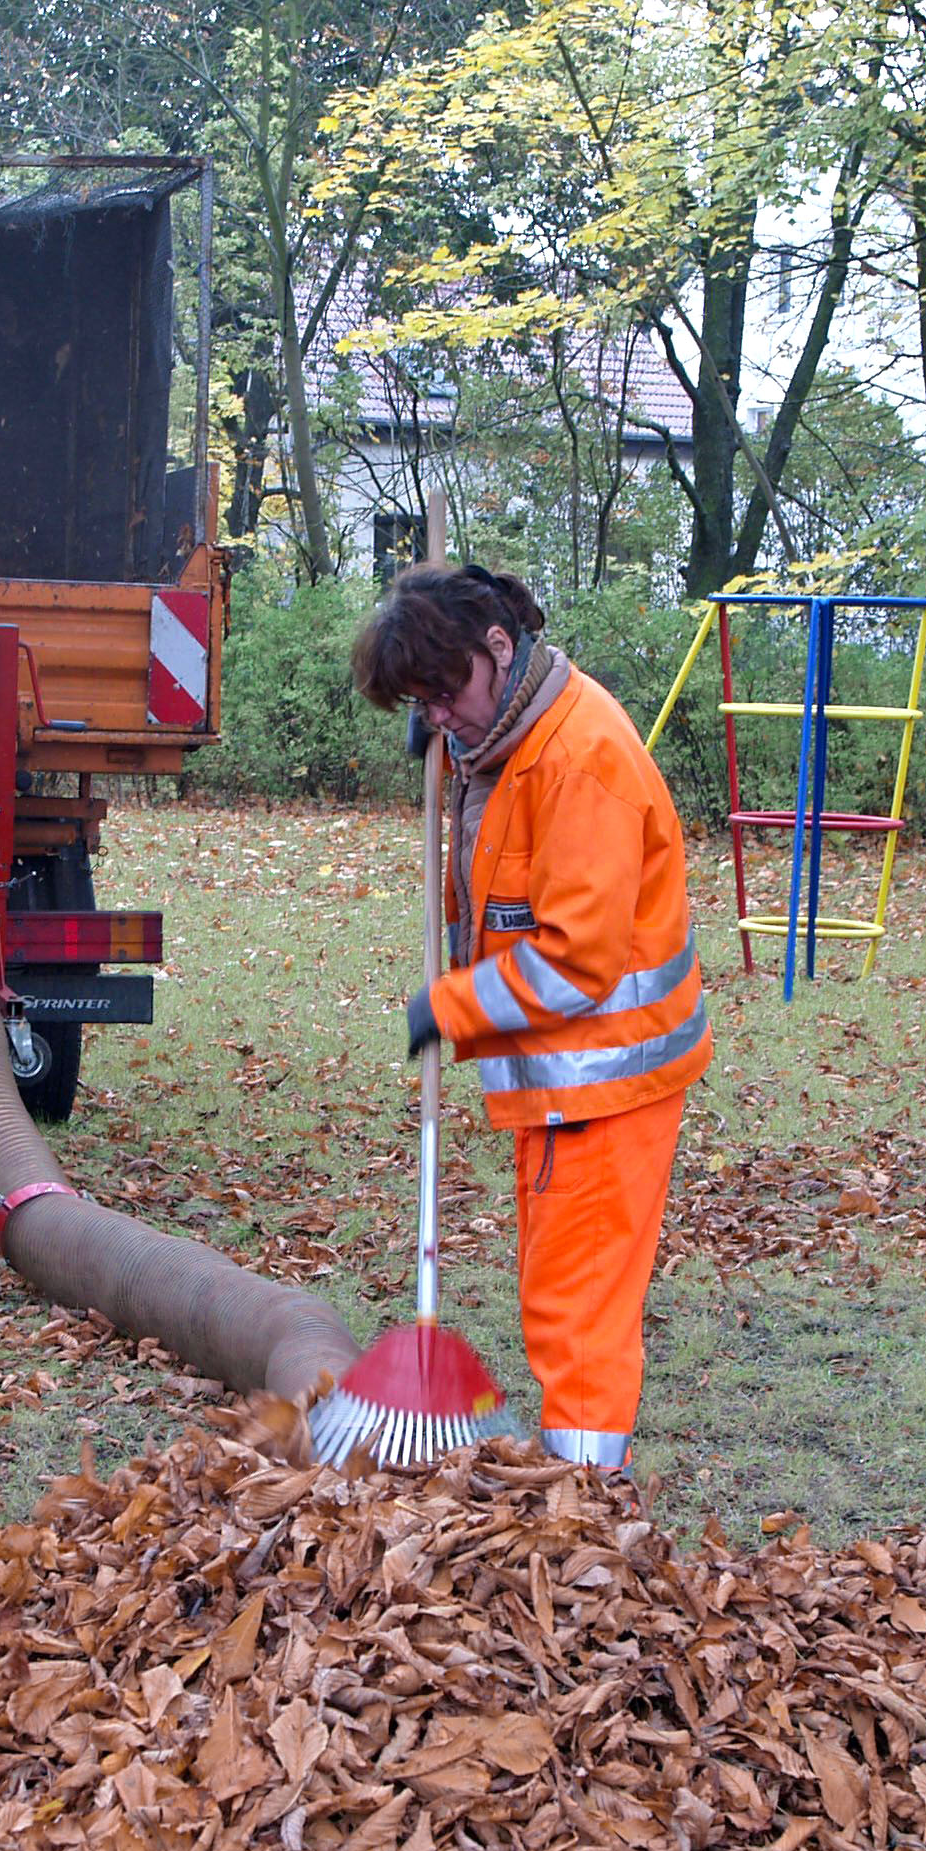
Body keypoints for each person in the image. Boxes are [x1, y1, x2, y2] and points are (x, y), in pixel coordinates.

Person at [352, 561, 711, 1475]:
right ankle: (576, 1488)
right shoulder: (504, 741)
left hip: (605, 1080)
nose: (439, 717)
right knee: (560, 1298)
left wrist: (451, 1007)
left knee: (577, 1315)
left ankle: (585, 1510)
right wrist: (453, 743)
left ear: (499, 649)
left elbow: (576, 962)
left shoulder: (579, 759)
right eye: (422, 703)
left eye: (446, 692)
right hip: (569, 1082)